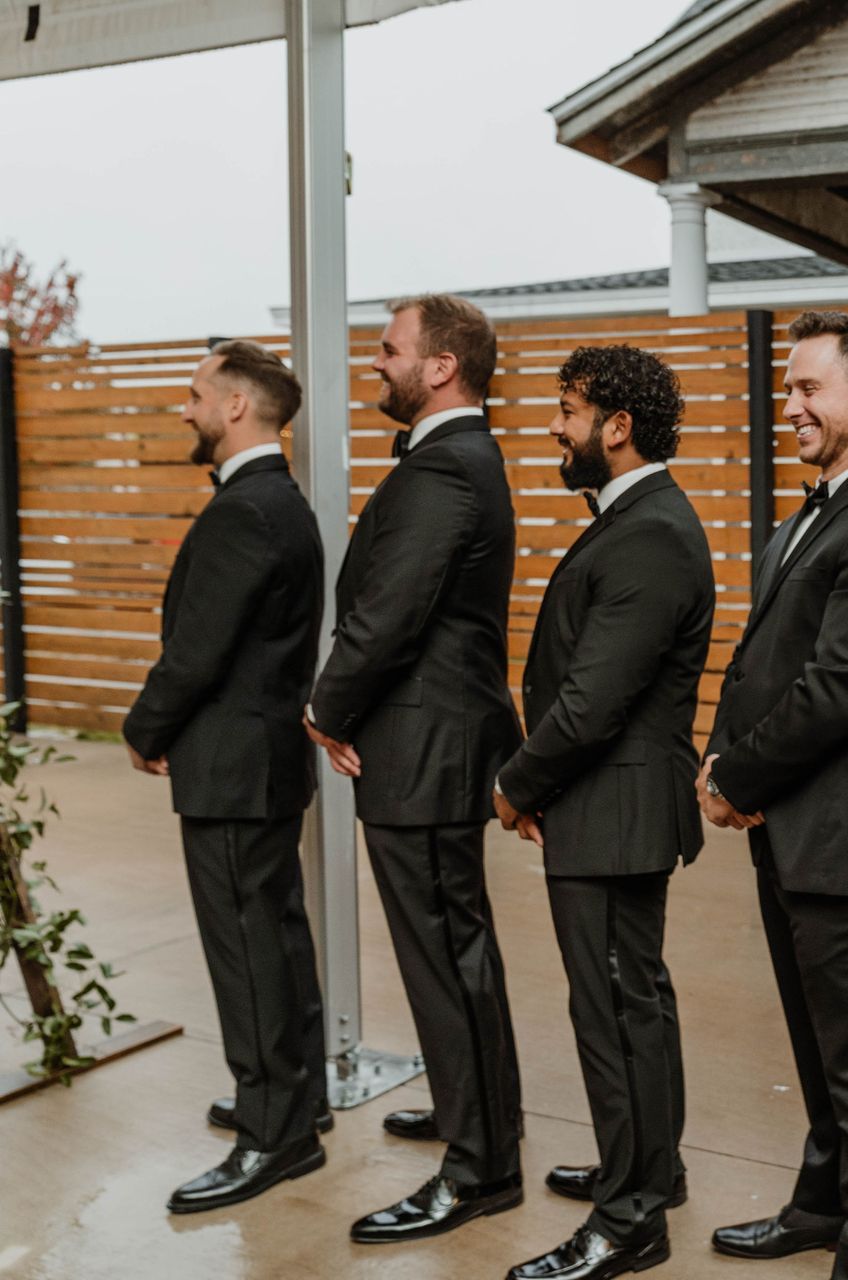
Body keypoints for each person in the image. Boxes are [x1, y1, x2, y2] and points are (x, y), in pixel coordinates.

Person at [698, 310, 848, 1280]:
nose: (790, 404)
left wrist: (735, 774)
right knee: (817, 1049)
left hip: (846, 843)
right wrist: (720, 754)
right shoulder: (809, 516)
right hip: (788, 832)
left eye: (807, 387)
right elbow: (761, 662)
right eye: (788, 388)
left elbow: (836, 690)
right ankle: (821, 1200)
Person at [304, 293, 527, 1244]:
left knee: (446, 959)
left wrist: (326, 706)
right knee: (452, 955)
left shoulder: (447, 467)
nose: (376, 365)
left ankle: (479, 1169)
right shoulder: (460, 459)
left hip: (424, 748)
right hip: (431, 743)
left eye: (389, 350)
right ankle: (468, 1113)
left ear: (441, 366)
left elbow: (392, 609)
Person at [495, 345, 714, 1280]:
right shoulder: (636, 520)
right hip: (606, 807)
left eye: (569, 409)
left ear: (617, 427)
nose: (556, 425)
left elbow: (592, 702)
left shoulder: (652, 532)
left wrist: (515, 784)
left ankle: (629, 1221)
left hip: (611, 812)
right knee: (635, 1002)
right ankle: (648, 1169)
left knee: (615, 1012)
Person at [125, 341, 331, 1214]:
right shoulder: (280, 502)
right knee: (276, 936)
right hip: (264, 763)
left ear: (238, 406)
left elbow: (197, 649)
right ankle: (293, 1098)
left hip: (233, 768)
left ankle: (273, 1136)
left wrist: (144, 727)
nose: (186, 409)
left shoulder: (244, 512)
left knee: (247, 951)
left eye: (197, 394)